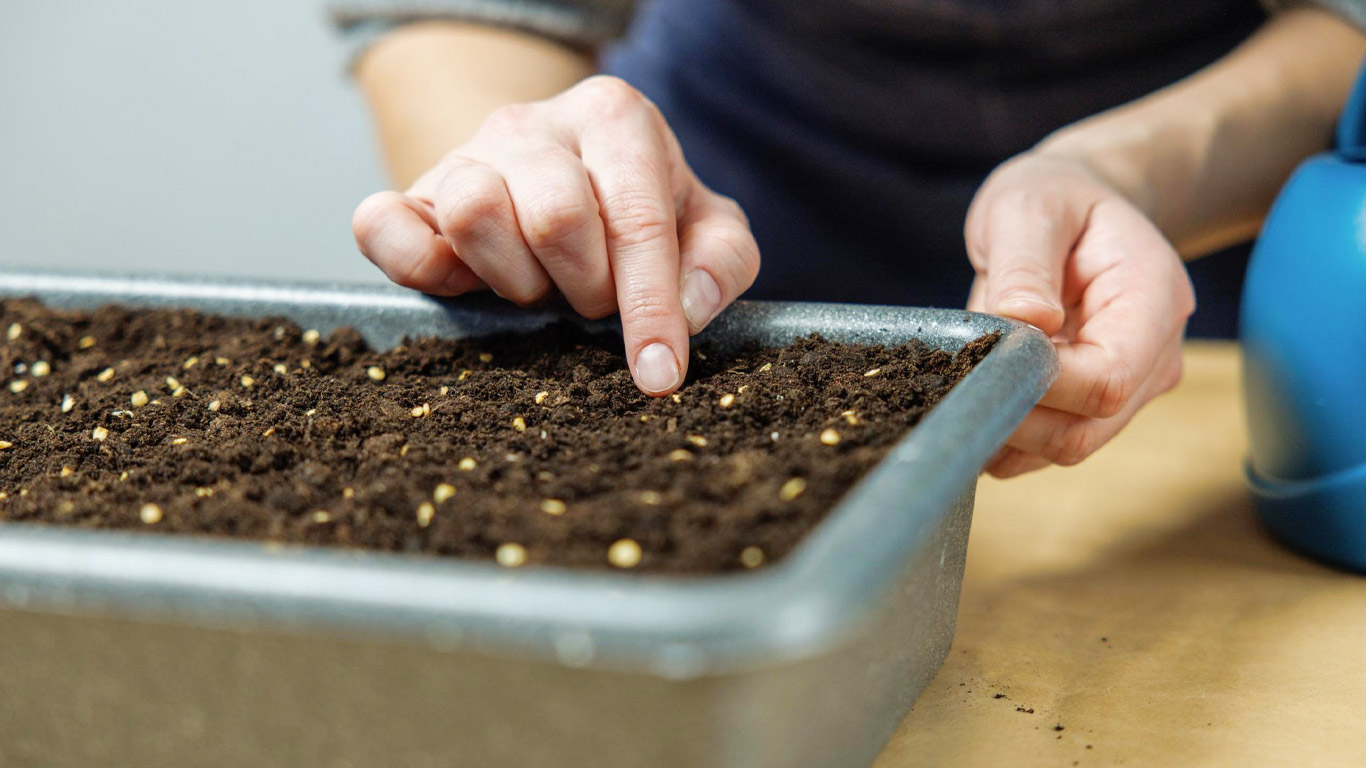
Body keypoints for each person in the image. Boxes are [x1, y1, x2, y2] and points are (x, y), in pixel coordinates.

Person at [334, 0, 1365, 477]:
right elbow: (471, 16)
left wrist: (1118, 175)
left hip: (1196, 206)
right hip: (724, 166)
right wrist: (535, 204)